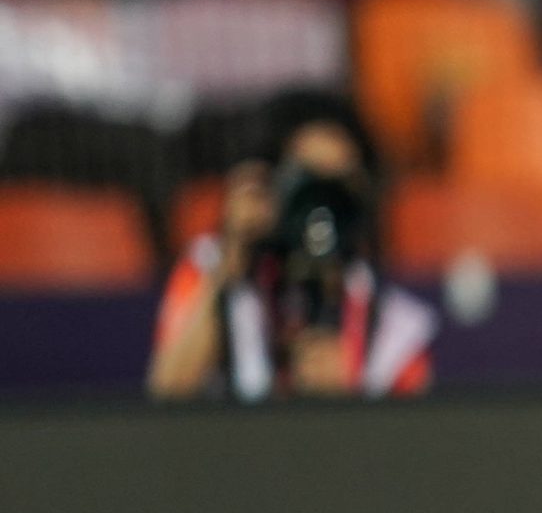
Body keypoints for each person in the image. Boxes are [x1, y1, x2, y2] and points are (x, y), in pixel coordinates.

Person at [146, 103, 435, 401]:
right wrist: (231, 260)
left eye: (336, 187)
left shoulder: (391, 320)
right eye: (307, 182)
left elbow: (414, 436)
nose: (320, 208)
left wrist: (350, 400)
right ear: (275, 186)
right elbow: (167, 393)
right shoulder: (210, 265)